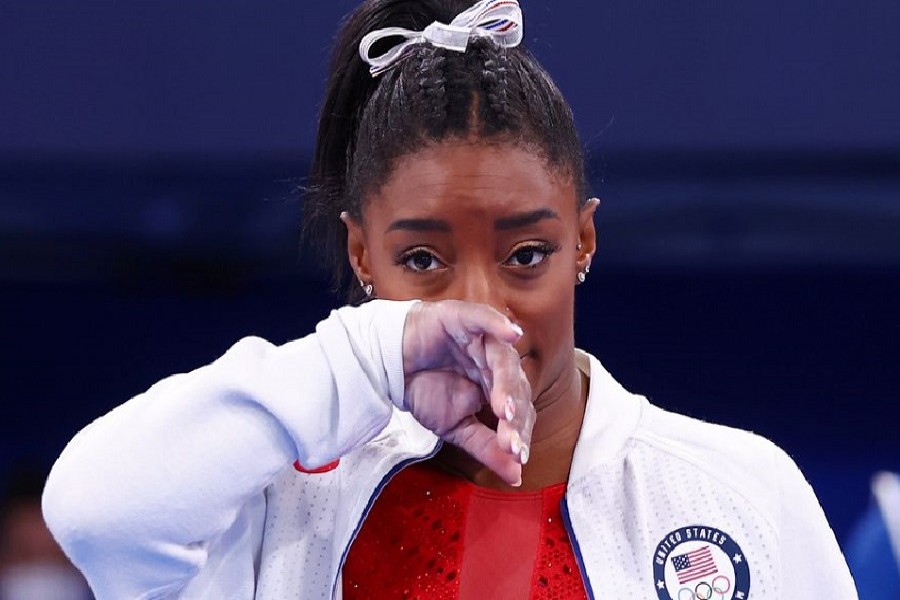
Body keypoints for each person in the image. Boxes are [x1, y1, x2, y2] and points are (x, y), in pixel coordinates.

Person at [42, 1, 857, 598]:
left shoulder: (736, 491)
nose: (479, 309)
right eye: (423, 259)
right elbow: (94, 513)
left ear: (585, 241)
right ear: (361, 253)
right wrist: (365, 357)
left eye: (526, 254)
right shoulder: (281, 495)